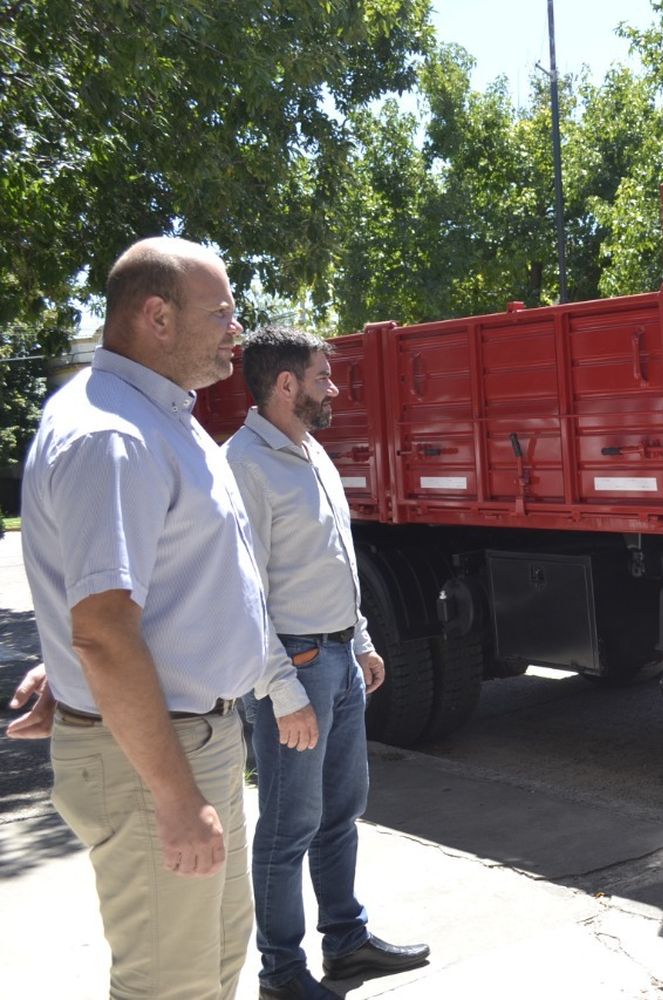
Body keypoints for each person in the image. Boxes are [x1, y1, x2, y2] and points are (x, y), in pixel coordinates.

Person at [16, 237, 273, 998]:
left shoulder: (156, 414)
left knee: (214, 967)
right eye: (222, 311)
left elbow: (118, 600)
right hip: (156, 762)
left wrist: (74, 675)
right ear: (156, 316)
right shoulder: (113, 435)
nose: (238, 329)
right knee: (171, 986)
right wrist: (175, 795)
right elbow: (101, 628)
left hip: (189, 740)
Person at [226, 326, 429, 1000]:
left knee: (341, 812)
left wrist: (363, 638)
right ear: (286, 385)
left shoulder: (310, 452)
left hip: (337, 656)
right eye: (322, 376)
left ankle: (345, 944)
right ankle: (282, 973)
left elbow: (335, 559)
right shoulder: (245, 465)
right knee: (288, 829)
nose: (333, 387)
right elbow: (242, 591)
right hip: (294, 666)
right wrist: (282, 691)